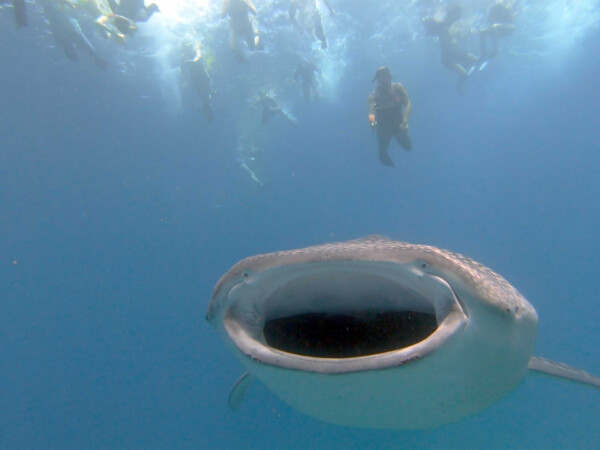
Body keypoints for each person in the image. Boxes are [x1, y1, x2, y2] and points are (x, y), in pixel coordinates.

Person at [422, 5, 479, 94]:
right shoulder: (444, 30)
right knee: (464, 74)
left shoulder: (449, 29)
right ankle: (458, 86)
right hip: (448, 59)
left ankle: (465, 79)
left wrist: (469, 33)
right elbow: (460, 37)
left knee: (477, 61)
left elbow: (462, 37)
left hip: (457, 53)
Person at [40, 0, 108, 69]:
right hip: (68, 29)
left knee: (77, 51)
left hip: (66, 30)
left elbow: (71, 6)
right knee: (81, 49)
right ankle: (94, 57)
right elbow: (72, 6)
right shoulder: (50, 7)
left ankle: (93, 57)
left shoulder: (49, 7)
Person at [367, 67, 412, 168]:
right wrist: (372, 121)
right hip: (384, 128)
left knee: (408, 147)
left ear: (390, 76)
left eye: (385, 75)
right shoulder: (373, 96)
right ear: (377, 80)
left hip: (399, 124)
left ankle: (384, 154)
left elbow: (408, 103)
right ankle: (383, 156)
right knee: (382, 151)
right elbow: (371, 112)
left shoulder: (398, 88)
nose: (384, 78)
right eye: (381, 76)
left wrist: (405, 120)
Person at [182, 40, 214, 122]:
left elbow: (199, 55)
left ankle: (208, 111)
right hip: (197, 79)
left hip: (202, 77)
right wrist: (185, 80)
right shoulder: (185, 55)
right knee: (205, 96)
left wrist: (194, 61)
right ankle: (207, 111)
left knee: (206, 96)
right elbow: (183, 68)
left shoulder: (196, 48)